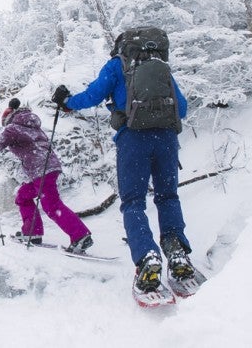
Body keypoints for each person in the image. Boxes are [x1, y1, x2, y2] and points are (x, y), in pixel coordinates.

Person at [51, 31, 194, 294]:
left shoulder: (117, 65)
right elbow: (181, 108)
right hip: (166, 140)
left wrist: (67, 102)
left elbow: (93, 96)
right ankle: (177, 253)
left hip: (133, 140)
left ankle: (147, 257)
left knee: (133, 202)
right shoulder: (161, 68)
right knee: (168, 197)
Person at [0, 98, 93, 254]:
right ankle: (32, 232)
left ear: (8, 118)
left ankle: (80, 236)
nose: (5, 126)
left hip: (41, 170)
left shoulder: (13, 128)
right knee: (23, 195)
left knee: (52, 206)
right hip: (48, 168)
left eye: (5, 123)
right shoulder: (33, 126)